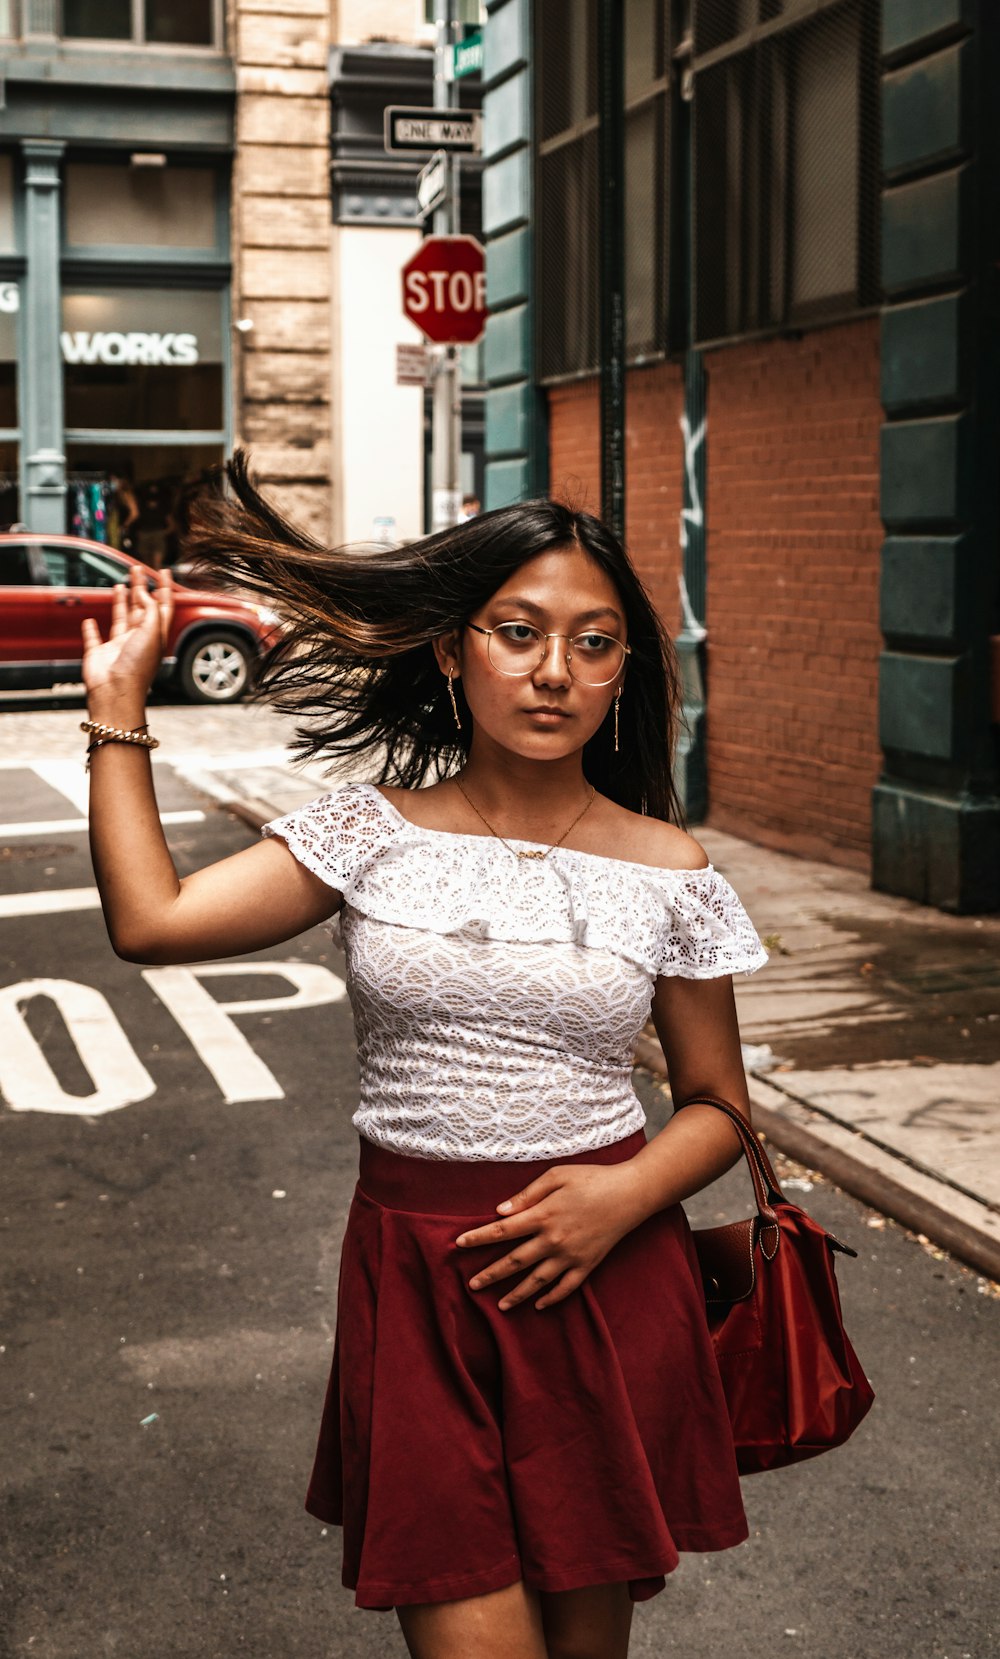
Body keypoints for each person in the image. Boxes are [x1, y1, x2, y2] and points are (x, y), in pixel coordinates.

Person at [80, 456, 768, 1659]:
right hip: (418, 1284)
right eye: (518, 632)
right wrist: (116, 717)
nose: (555, 671)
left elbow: (717, 1108)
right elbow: (153, 922)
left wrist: (620, 1198)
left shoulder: (670, 867)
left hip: (605, 1281)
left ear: (624, 674)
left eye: (595, 644)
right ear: (453, 652)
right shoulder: (369, 831)